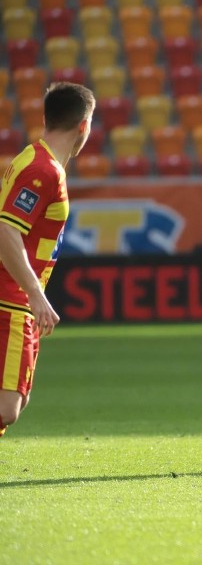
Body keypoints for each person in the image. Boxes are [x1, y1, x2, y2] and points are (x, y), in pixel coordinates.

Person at [0, 82, 96, 438]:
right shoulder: (44, 171)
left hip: (17, 296)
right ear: (83, 126)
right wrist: (35, 294)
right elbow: (6, 231)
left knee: (14, 403)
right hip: (11, 296)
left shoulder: (34, 158)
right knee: (7, 407)